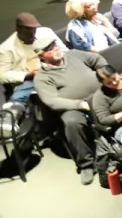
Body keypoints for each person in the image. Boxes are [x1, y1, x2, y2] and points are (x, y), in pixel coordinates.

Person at [31, 36, 102, 183]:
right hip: (75, 106)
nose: (55, 49)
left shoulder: (74, 54)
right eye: (49, 49)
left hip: (100, 94)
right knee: (71, 122)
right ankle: (86, 164)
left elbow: (97, 59)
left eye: (54, 45)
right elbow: (52, 101)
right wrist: (78, 105)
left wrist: (106, 75)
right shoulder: (42, 78)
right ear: (42, 56)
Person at [0, 13, 60, 105]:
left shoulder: (44, 35)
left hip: (51, 72)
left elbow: (61, 51)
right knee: (22, 93)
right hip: (30, 79)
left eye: (34, 30)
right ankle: (12, 111)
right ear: (18, 29)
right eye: (27, 31)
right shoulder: (6, 49)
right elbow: (2, 75)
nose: (32, 34)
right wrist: (28, 74)